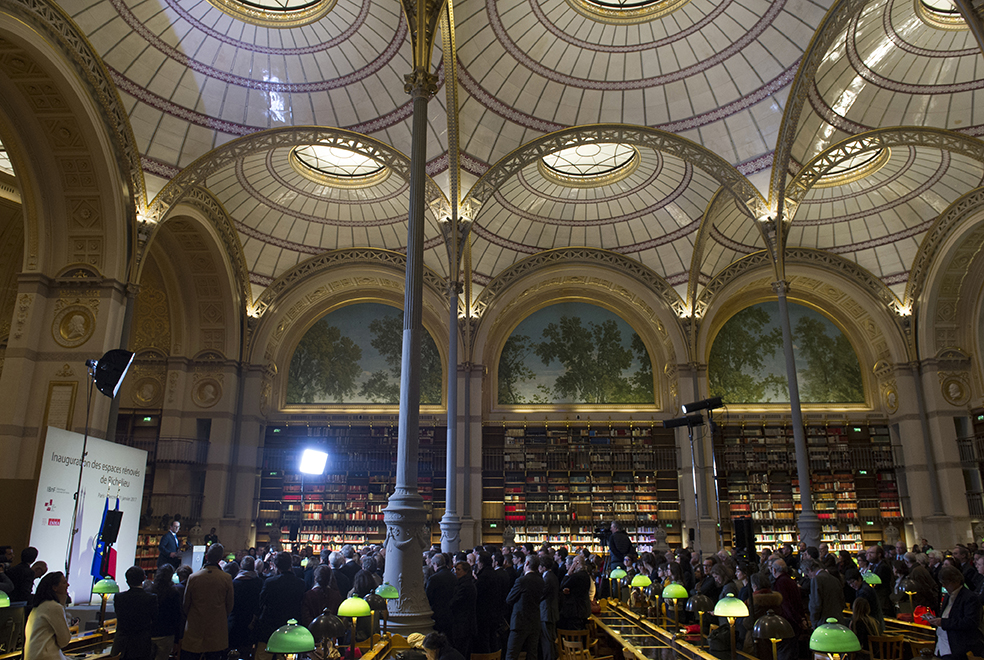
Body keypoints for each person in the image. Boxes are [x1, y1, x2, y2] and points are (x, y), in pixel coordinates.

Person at [182, 543, 234, 660]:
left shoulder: (193, 577)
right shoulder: (226, 578)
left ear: (206, 557)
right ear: (220, 559)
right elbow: (229, 605)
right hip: (216, 626)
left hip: (196, 625)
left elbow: (186, 603)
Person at [256, 552, 307, 660]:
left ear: (276, 566)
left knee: (264, 655)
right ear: (290, 565)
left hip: (270, 625)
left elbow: (261, 603)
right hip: (291, 625)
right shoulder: (300, 583)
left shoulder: (270, 582)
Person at [926, 565, 984, 660]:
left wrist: (942, 622)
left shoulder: (970, 598)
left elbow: (970, 622)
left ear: (956, 581)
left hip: (957, 647)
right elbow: (946, 615)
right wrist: (934, 620)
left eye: (946, 583)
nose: (944, 586)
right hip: (942, 645)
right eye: (942, 583)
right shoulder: (948, 596)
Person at [112, 566, 158, 660]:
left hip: (123, 641)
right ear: (144, 578)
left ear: (127, 581)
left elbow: (119, 616)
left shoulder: (119, 597)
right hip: (142, 642)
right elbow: (154, 619)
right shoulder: (151, 598)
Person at [24, 571, 71, 660]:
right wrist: (62, 604)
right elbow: (64, 640)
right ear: (54, 588)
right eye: (64, 582)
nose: (68, 585)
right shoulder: (54, 607)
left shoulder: (39, 606)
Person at [505, 555, 544, 660]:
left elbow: (509, 599)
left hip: (520, 621)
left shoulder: (522, 580)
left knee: (512, 653)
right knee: (532, 654)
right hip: (535, 620)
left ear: (526, 564)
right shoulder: (541, 581)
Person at [229, 556, 263, 659]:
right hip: (252, 620)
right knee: (248, 650)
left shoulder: (234, 583)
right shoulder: (259, 582)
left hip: (236, 619)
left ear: (241, 567)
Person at [147, 564, 182, 660]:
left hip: (150, 631)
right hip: (166, 633)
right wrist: (177, 638)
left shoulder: (149, 591)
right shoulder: (173, 593)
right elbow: (176, 616)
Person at [803, 556, 845, 627]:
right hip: (838, 620)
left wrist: (814, 623)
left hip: (823, 622)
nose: (808, 577)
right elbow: (842, 601)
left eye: (807, 575)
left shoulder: (816, 580)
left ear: (809, 569)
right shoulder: (835, 579)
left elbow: (815, 605)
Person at [449, 561, 477, 658]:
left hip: (463, 623)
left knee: (462, 650)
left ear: (466, 571)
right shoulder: (466, 583)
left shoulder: (465, 586)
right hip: (465, 623)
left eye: (459, 570)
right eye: (455, 569)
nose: (456, 572)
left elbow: (455, 602)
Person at [425, 554, 456, 636]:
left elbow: (428, 597)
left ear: (436, 564)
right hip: (452, 613)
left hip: (438, 614)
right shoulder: (453, 577)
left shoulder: (434, 578)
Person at [538, 556, 560, 660]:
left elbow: (542, 594)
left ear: (543, 567)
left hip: (547, 612)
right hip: (550, 611)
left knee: (547, 640)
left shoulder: (548, 578)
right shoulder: (552, 576)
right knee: (550, 638)